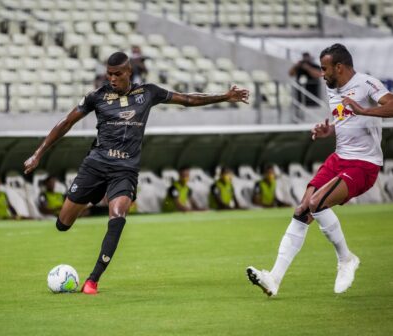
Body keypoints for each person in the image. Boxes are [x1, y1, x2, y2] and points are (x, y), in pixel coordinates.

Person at [23, 51, 249, 295]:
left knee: (118, 215)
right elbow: (66, 122)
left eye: (117, 74)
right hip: (96, 165)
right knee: (62, 224)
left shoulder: (147, 92)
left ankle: (93, 280)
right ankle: (97, 194)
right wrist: (38, 154)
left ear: (129, 72)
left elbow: (187, 99)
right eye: (109, 74)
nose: (112, 78)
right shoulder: (96, 97)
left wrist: (225, 96)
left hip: (125, 170)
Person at [247, 43, 393, 297]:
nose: (321, 74)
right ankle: (274, 279)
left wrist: (365, 110)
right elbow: (344, 119)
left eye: (324, 69)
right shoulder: (332, 88)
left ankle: (346, 259)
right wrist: (329, 130)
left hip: (363, 164)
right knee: (302, 210)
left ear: (339, 67)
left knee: (317, 203)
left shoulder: (367, 84)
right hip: (338, 158)